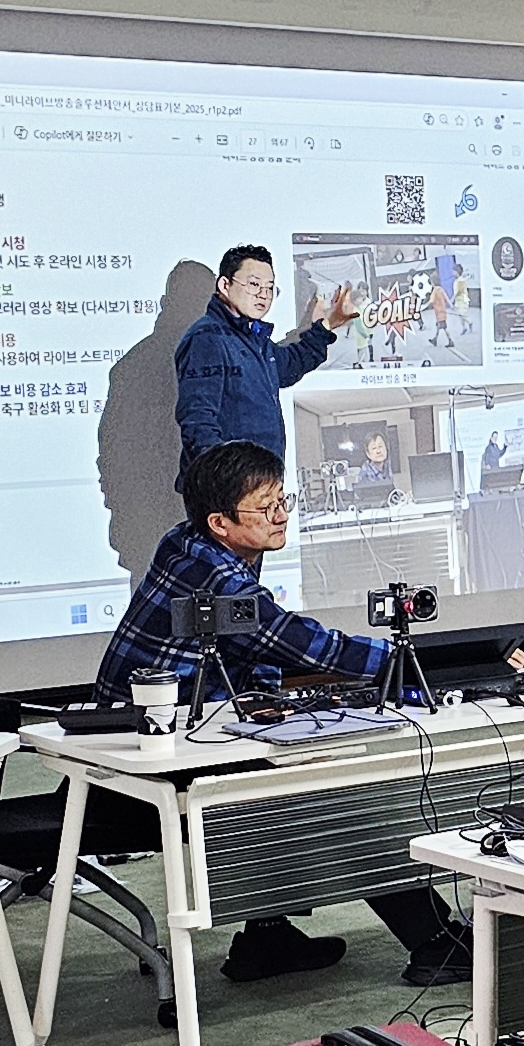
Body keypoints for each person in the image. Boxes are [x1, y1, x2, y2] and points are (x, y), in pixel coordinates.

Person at [93, 441, 471, 985]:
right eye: (265, 506)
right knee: (338, 795)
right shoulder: (214, 576)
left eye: (282, 500)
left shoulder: (189, 540)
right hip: (146, 761)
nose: (281, 515)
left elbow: (252, 654)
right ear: (220, 522)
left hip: (165, 740)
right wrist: (428, 663)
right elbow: (296, 643)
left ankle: (266, 938)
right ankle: (434, 941)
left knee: (297, 773)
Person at [174, 246, 360, 472]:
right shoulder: (208, 338)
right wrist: (229, 480)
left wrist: (328, 324)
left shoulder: (252, 338)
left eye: (270, 287)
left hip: (260, 480)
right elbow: (197, 421)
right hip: (232, 485)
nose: (264, 294)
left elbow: (289, 365)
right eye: (254, 284)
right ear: (224, 285)